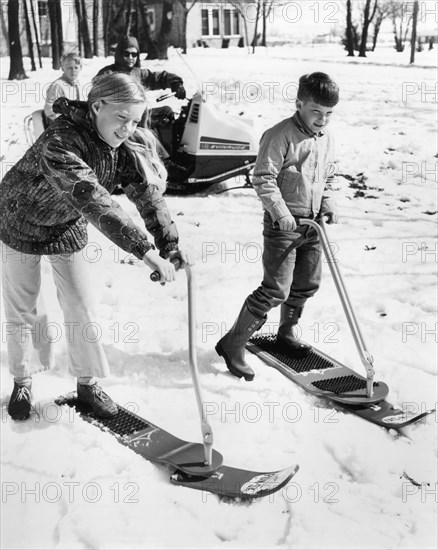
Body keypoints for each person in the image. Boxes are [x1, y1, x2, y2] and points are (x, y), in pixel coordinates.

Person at [0, 73, 191, 421]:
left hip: (65, 226)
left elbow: (147, 196)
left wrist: (169, 243)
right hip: (18, 220)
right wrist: (145, 252)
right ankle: (23, 380)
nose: (128, 129)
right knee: (24, 308)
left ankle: (87, 384)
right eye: (121, 118)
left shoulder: (121, 147)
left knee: (81, 304)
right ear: (97, 105)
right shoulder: (60, 141)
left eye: (135, 121)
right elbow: (93, 198)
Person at [216, 72, 340, 381]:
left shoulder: (326, 140)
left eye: (328, 114)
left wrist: (329, 203)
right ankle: (233, 343)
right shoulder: (279, 135)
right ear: (299, 104)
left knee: (307, 283)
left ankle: (286, 332)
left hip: (312, 225)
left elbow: (331, 176)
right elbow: (263, 178)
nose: (322, 120)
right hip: (283, 225)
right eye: (316, 112)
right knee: (276, 289)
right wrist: (280, 212)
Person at [44, 52, 83, 122]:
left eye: (76, 67)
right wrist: (66, 121)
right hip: (60, 124)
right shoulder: (57, 86)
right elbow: (49, 110)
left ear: (80, 68)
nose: (73, 70)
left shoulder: (75, 85)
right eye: (69, 68)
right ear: (62, 68)